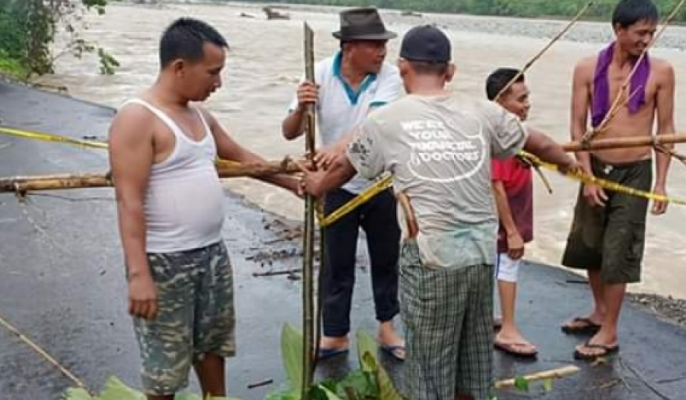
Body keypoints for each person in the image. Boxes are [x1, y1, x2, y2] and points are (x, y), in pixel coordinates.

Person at [298, 25, 579, 400]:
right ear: (450, 72)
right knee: (473, 355)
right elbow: (540, 141)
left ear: (402, 69)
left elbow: (342, 171)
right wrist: (573, 168)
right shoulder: (484, 111)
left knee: (430, 367)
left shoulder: (384, 120)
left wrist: (313, 185)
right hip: (480, 257)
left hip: (431, 259)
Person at [107, 18, 300, 399]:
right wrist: (138, 275)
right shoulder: (137, 118)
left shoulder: (200, 116)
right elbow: (128, 201)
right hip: (165, 261)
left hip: (212, 255)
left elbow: (241, 158)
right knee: (165, 368)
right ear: (179, 67)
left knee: (212, 347)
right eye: (213, 72)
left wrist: (294, 184)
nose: (218, 83)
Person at [281, 6, 406, 361]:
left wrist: (337, 148)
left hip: (378, 180)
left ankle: (387, 327)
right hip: (336, 183)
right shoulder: (318, 73)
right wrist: (300, 106)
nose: (382, 52)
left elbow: (374, 124)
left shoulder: (389, 77)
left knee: (386, 257)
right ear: (349, 47)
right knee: (337, 262)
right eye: (375, 45)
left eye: (384, 44)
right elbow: (289, 132)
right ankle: (335, 334)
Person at [559, 0, 675, 361]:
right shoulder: (587, 68)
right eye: (641, 33)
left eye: (651, 33)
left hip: (636, 171)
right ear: (618, 30)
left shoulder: (661, 71)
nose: (647, 40)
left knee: (619, 250)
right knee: (591, 246)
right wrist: (587, 176)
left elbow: (666, 130)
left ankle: (609, 332)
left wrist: (661, 183)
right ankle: (599, 312)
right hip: (595, 165)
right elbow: (578, 128)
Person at [484, 68, 537, 358]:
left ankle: (493, 319)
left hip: (514, 210)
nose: (527, 104)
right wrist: (512, 230)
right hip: (505, 217)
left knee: (496, 262)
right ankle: (508, 328)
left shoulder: (516, 133)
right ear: (500, 101)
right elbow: (496, 186)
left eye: (528, 97)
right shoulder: (500, 135)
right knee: (507, 262)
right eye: (521, 99)